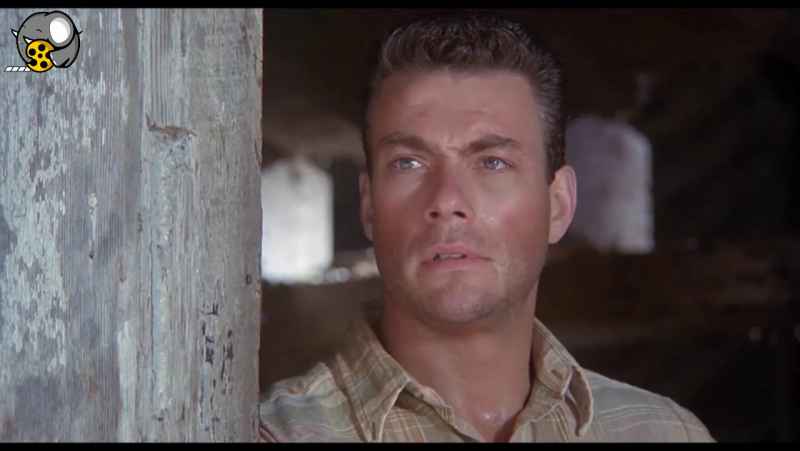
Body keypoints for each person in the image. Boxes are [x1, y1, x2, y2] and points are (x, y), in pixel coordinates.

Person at [258, 12, 714, 442]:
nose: (447, 200)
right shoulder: (271, 435)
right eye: (409, 163)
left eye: (493, 162)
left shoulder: (663, 432)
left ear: (558, 206)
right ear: (370, 207)